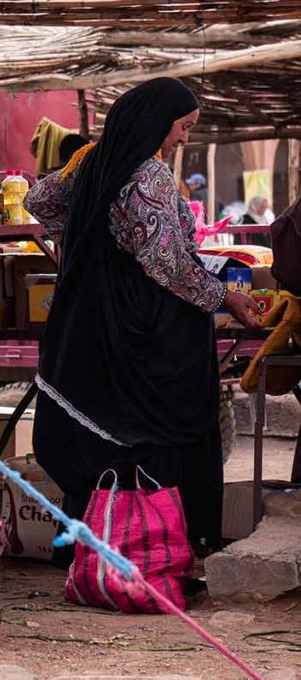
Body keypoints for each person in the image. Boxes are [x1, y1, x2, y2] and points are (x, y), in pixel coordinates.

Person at [23, 78, 262, 566]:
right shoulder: (148, 175)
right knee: (155, 434)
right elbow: (169, 264)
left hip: (93, 319)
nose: (184, 140)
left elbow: (39, 201)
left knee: (102, 431)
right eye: (183, 128)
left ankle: (90, 551)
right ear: (157, 123)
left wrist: (91, 233)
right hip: (147, 328)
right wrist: (225, 299)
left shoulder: (92, 161)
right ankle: (157, 550)